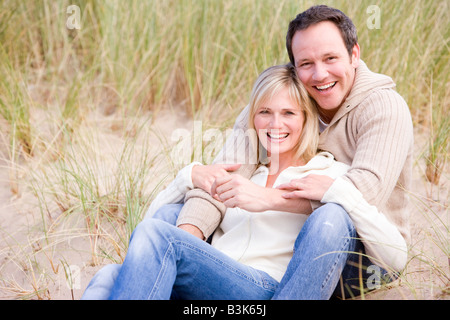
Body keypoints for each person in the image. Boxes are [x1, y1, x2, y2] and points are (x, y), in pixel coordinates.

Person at [82, 64, 407, 300]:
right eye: (264, 112)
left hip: (265, 290)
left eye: (289, 114)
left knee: (156, 239)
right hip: (210, 285)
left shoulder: (326, 175)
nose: (275, 123)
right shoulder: (244, 173)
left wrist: (338, 194)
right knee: (109, 274)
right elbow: (149, 233)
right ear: (252, 117)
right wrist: (185, 178)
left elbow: (395, 257)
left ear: (307, 119)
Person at [172, 5, 414, 299]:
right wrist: (181, 243)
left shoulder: (383, 107)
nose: (320, 74)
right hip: (289, 243)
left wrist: (269, 198)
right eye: (307, 63)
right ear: (294, 68)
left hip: (365, 253)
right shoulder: (282, 104)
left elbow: (363, 194)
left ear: (354, 55)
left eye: (331, 58)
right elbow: (223, 174)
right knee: (172, 215)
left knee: (331, 218)